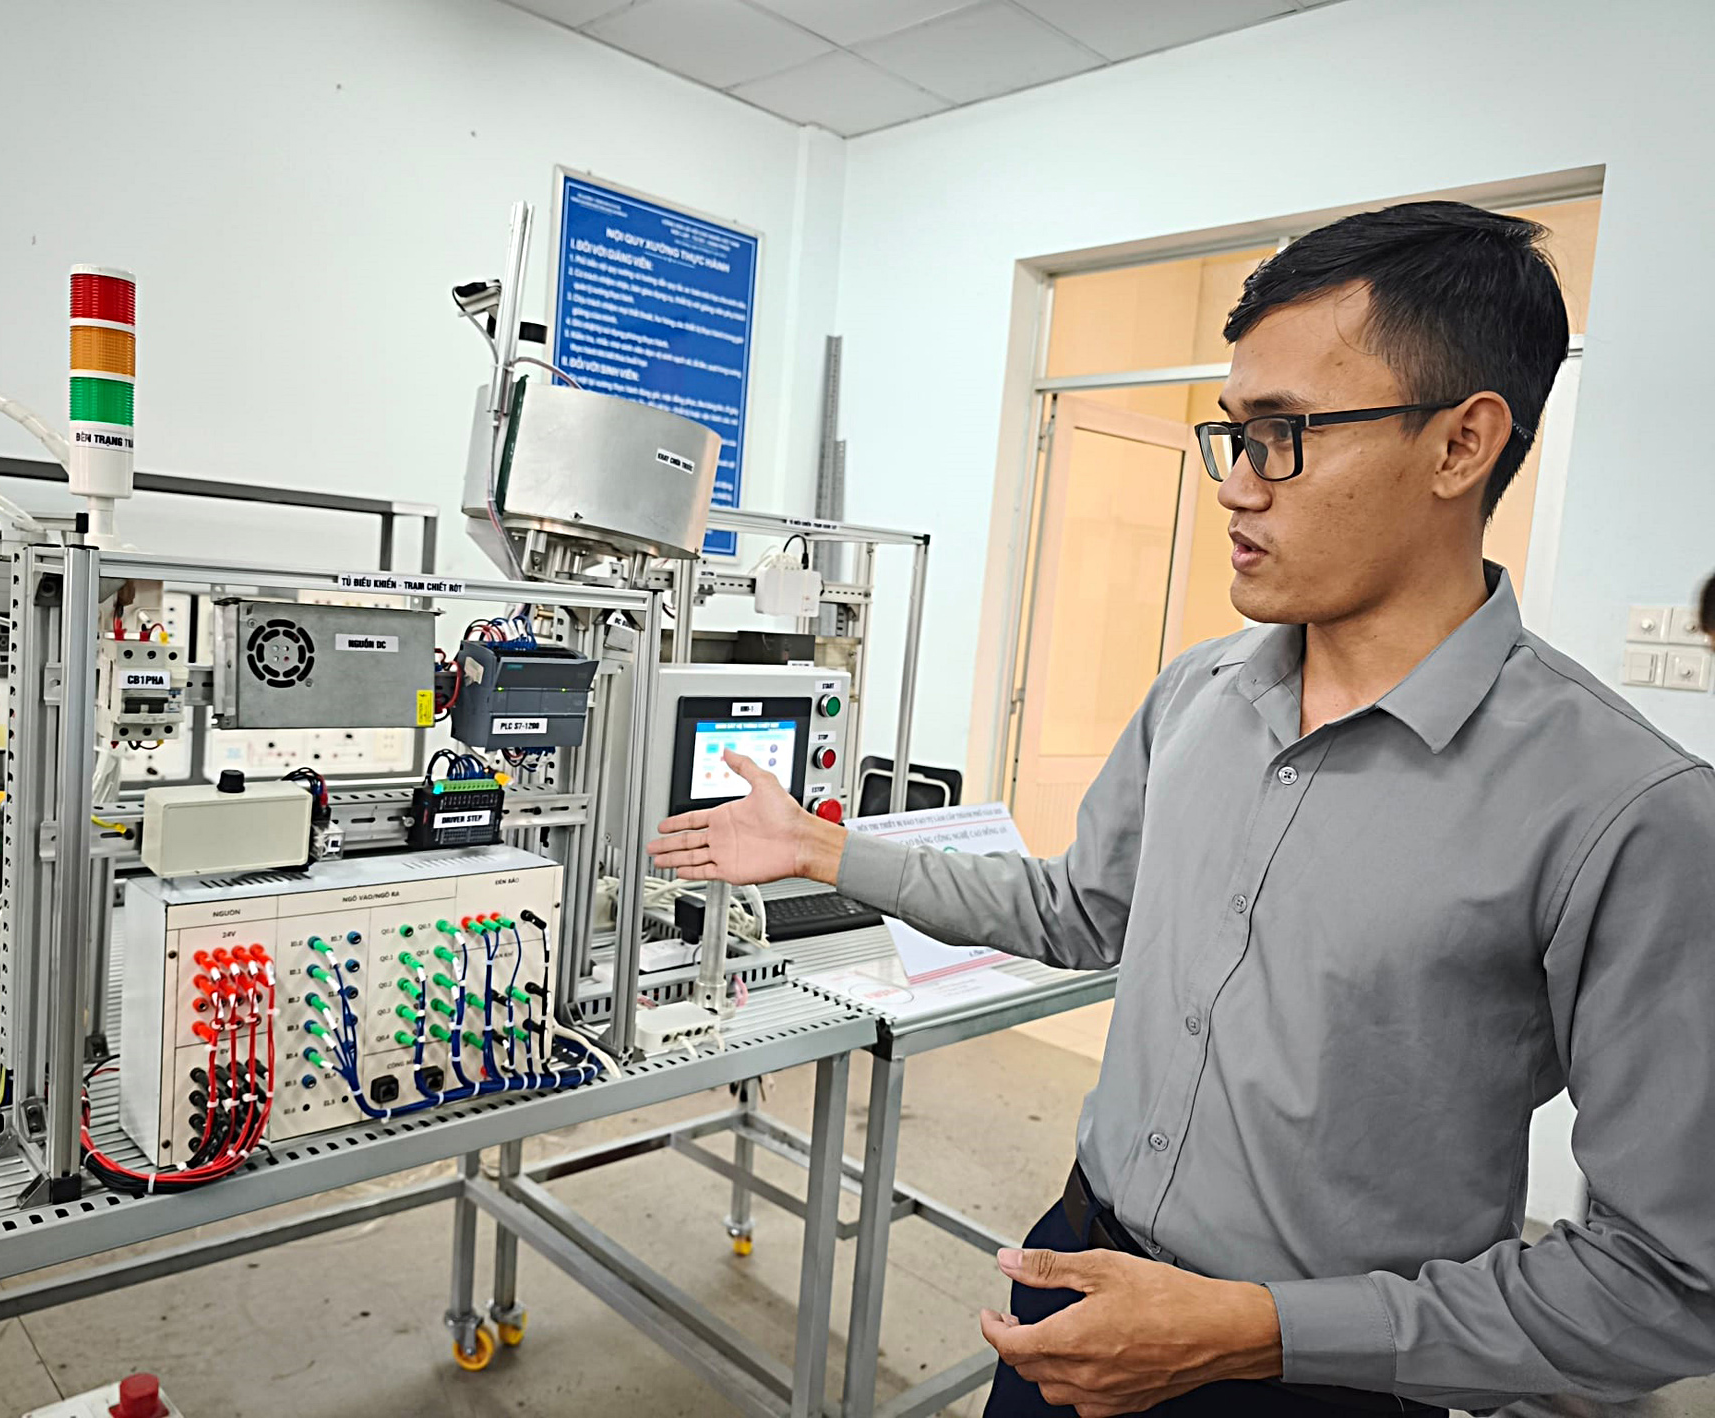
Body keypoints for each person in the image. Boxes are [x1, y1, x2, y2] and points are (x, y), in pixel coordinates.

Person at [649, 201, 1715, 1415]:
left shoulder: (1625, 811)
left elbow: (1670, 1279)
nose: (1236, 488)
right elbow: (1075, 911)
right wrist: (821, 847)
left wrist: (1261, 1332)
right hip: (1077, 1267)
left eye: (1283, 435)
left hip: (1319, 1377)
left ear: (1461, 444)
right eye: (1233, 435)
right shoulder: (1199, 694)